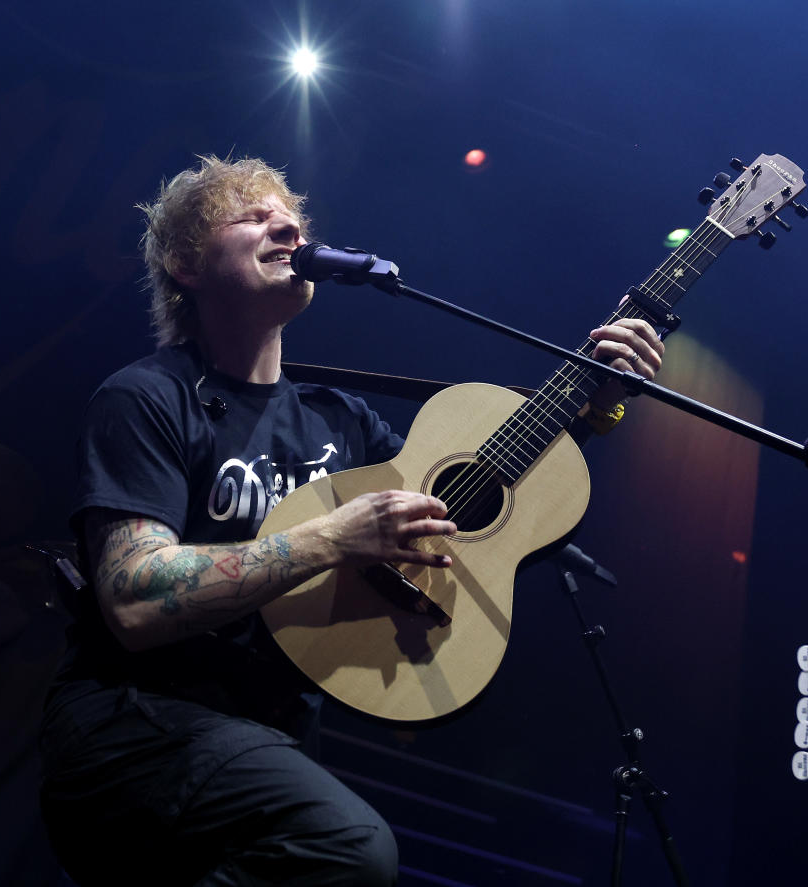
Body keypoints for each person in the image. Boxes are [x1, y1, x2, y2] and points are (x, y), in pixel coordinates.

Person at [38, 155, 664, 886]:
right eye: (252, 215)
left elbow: (465, 512)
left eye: (292, 216)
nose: (286, 224)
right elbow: (134, 595)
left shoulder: (340, 422)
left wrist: (590, 403)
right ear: (185, 263)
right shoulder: (148, 398)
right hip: (132, 725)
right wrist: (330, 537)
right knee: (352, 845)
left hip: (263, 738)